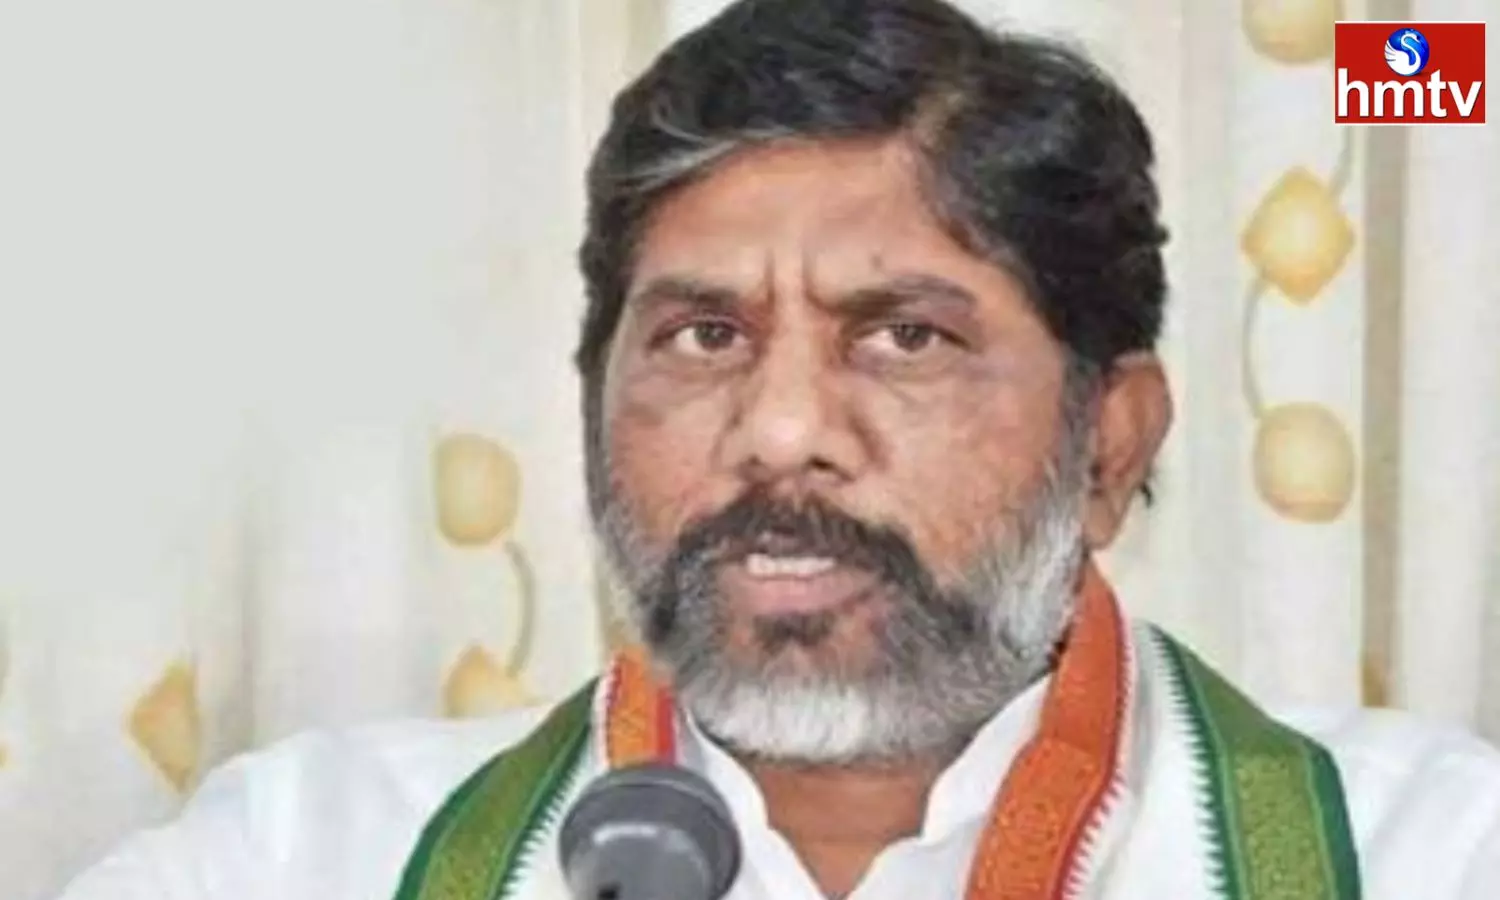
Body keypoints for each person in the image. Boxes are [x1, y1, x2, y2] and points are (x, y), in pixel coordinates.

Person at [59, 0, 1500, 898]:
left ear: (1110, 445)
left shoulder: (1433, 854)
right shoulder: (302, 854)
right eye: (704, 336)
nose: (782, 431)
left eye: (905, 337)